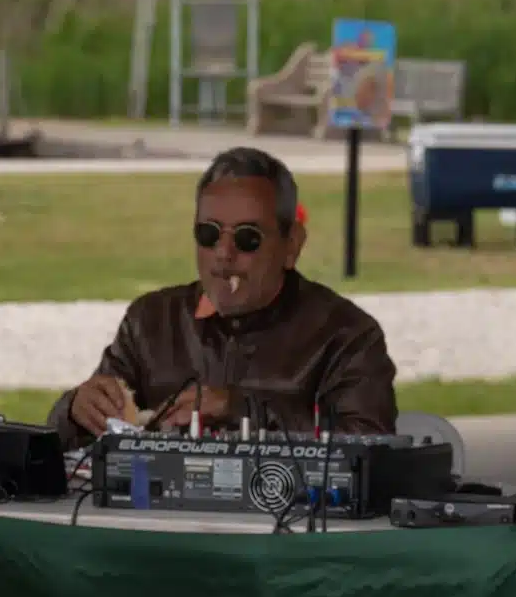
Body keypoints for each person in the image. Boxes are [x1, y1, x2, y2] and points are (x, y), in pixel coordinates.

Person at [49, 146, 397, 444]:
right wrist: (74, 411)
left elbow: (370, 447)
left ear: (292, 245)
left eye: (247, 238)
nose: (223, 253)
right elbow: (70, 451)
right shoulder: (150, 321)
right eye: (208, 234)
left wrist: (241, 410)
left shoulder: (346, 335)